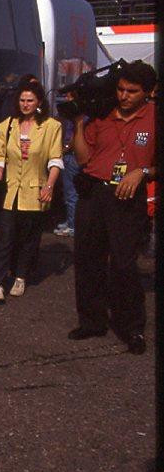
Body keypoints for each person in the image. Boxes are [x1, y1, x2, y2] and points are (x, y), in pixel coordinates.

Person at [67, 60, 157, 354]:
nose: (123, 96)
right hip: (94, 193)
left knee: (123, 264)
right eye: (120, 89)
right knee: (88, 258)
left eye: (132, 91)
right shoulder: (102, 114)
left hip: (128, 198)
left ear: (148, 92)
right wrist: (79, 122)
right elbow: (82, 159)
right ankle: (92, 321)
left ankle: (131, 328)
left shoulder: (155, 118)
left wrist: (141, 172)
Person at [0, 82, 63, 303]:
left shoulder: (51, 127)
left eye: (30, 100)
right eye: (22, 100)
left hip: (36, 191)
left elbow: (55, 160)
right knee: (5, 237)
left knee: (28, 239)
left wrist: (49, 185)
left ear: (39, 102)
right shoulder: (7, 125)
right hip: (10, 191)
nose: (25, 104)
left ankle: (21, 276)